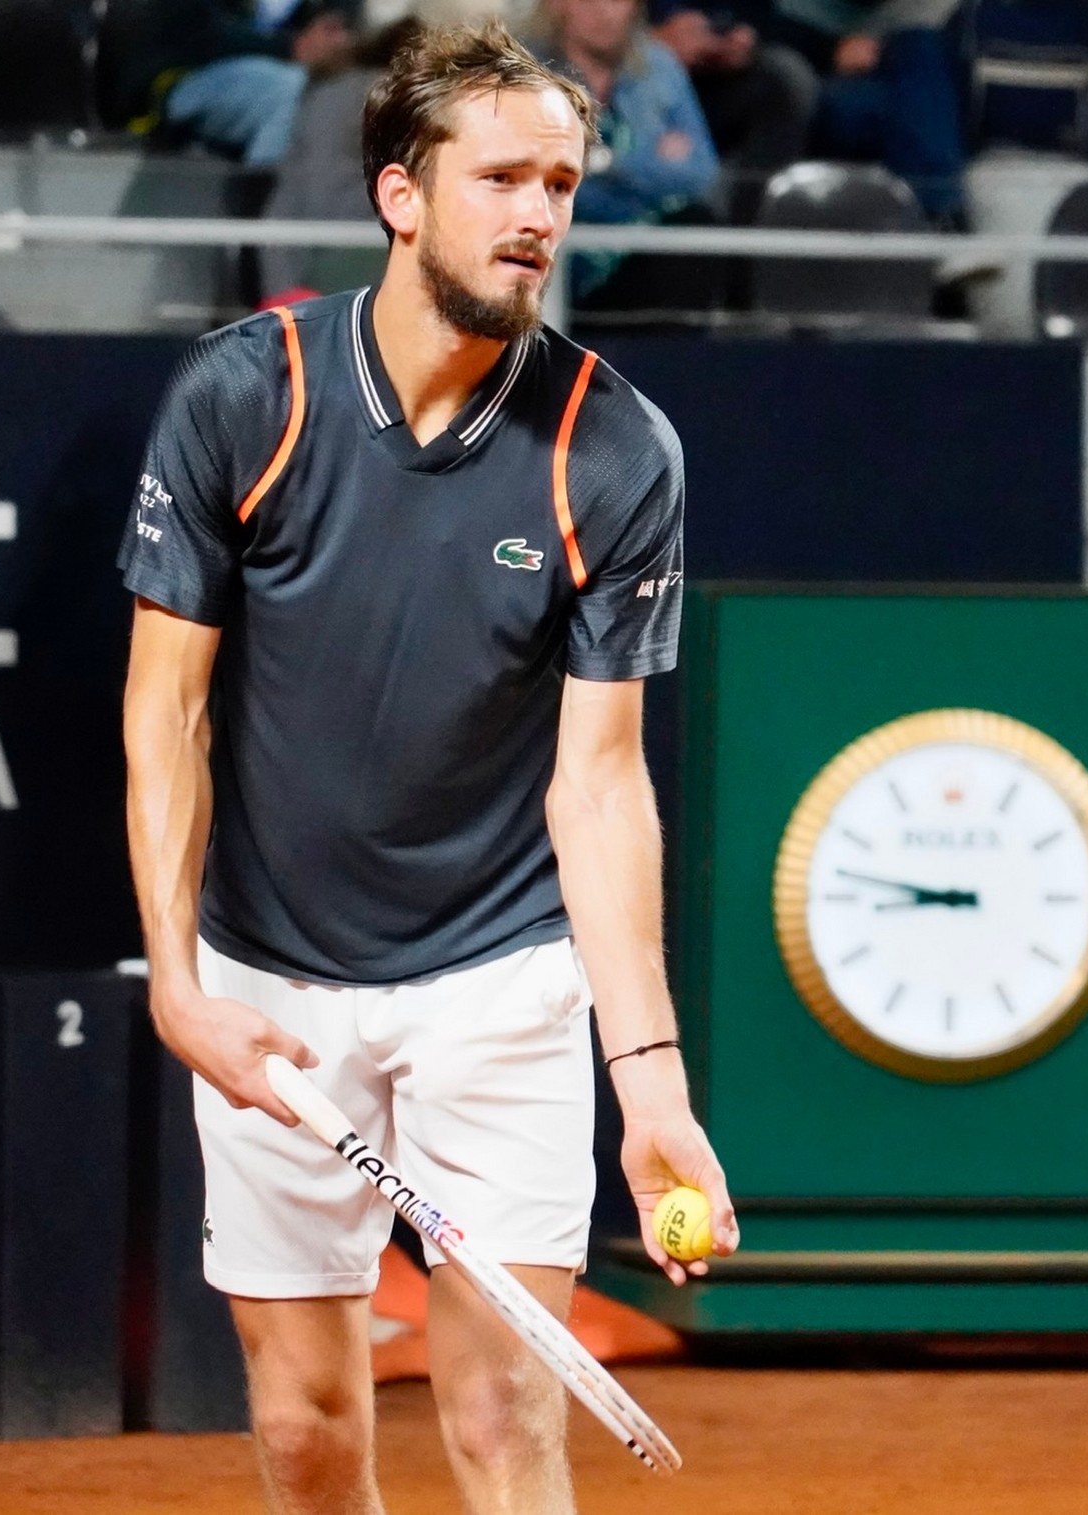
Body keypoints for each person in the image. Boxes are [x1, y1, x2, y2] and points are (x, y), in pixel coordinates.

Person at [119, 22, 736, 1512]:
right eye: (504, 177)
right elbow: (165, 715)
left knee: (501, 1415)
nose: (539, 214)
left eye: (565, 185)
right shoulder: (243, 394)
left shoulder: (614, 450)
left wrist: (649, 1086)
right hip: (266, 976)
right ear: (403, 195)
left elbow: (599, 779)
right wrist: (181, 987)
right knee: (308, 1423)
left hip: (500, 980)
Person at [528, 0, 719, 304]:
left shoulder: (659, 67)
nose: (603, 12)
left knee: (696, 223)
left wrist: (608, 164)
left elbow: (700, 174)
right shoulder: (526, 72)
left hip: (645, 248)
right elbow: (545, 187)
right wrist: (653, 170)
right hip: (563, 257)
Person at [761, 0, 964, 220]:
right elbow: (752, 30)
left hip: (890, 91)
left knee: (922, 48)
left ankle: (934, 210)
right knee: (919, 112)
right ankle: (938, 212)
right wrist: (832, 50)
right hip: (814, 84)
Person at [112, 0, 358, 166]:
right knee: (290, 90)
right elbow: (200, 30)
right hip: (182, 77)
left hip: (277, 70)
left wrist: (335, 39)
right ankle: (263, 228)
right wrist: (291, 46)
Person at [647, 0, 814, 173]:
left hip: (711, 79)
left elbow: (760, 18)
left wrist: (741, 38)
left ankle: (753, 193)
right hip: (637, 75)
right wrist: (652, 43)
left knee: (783, 74)